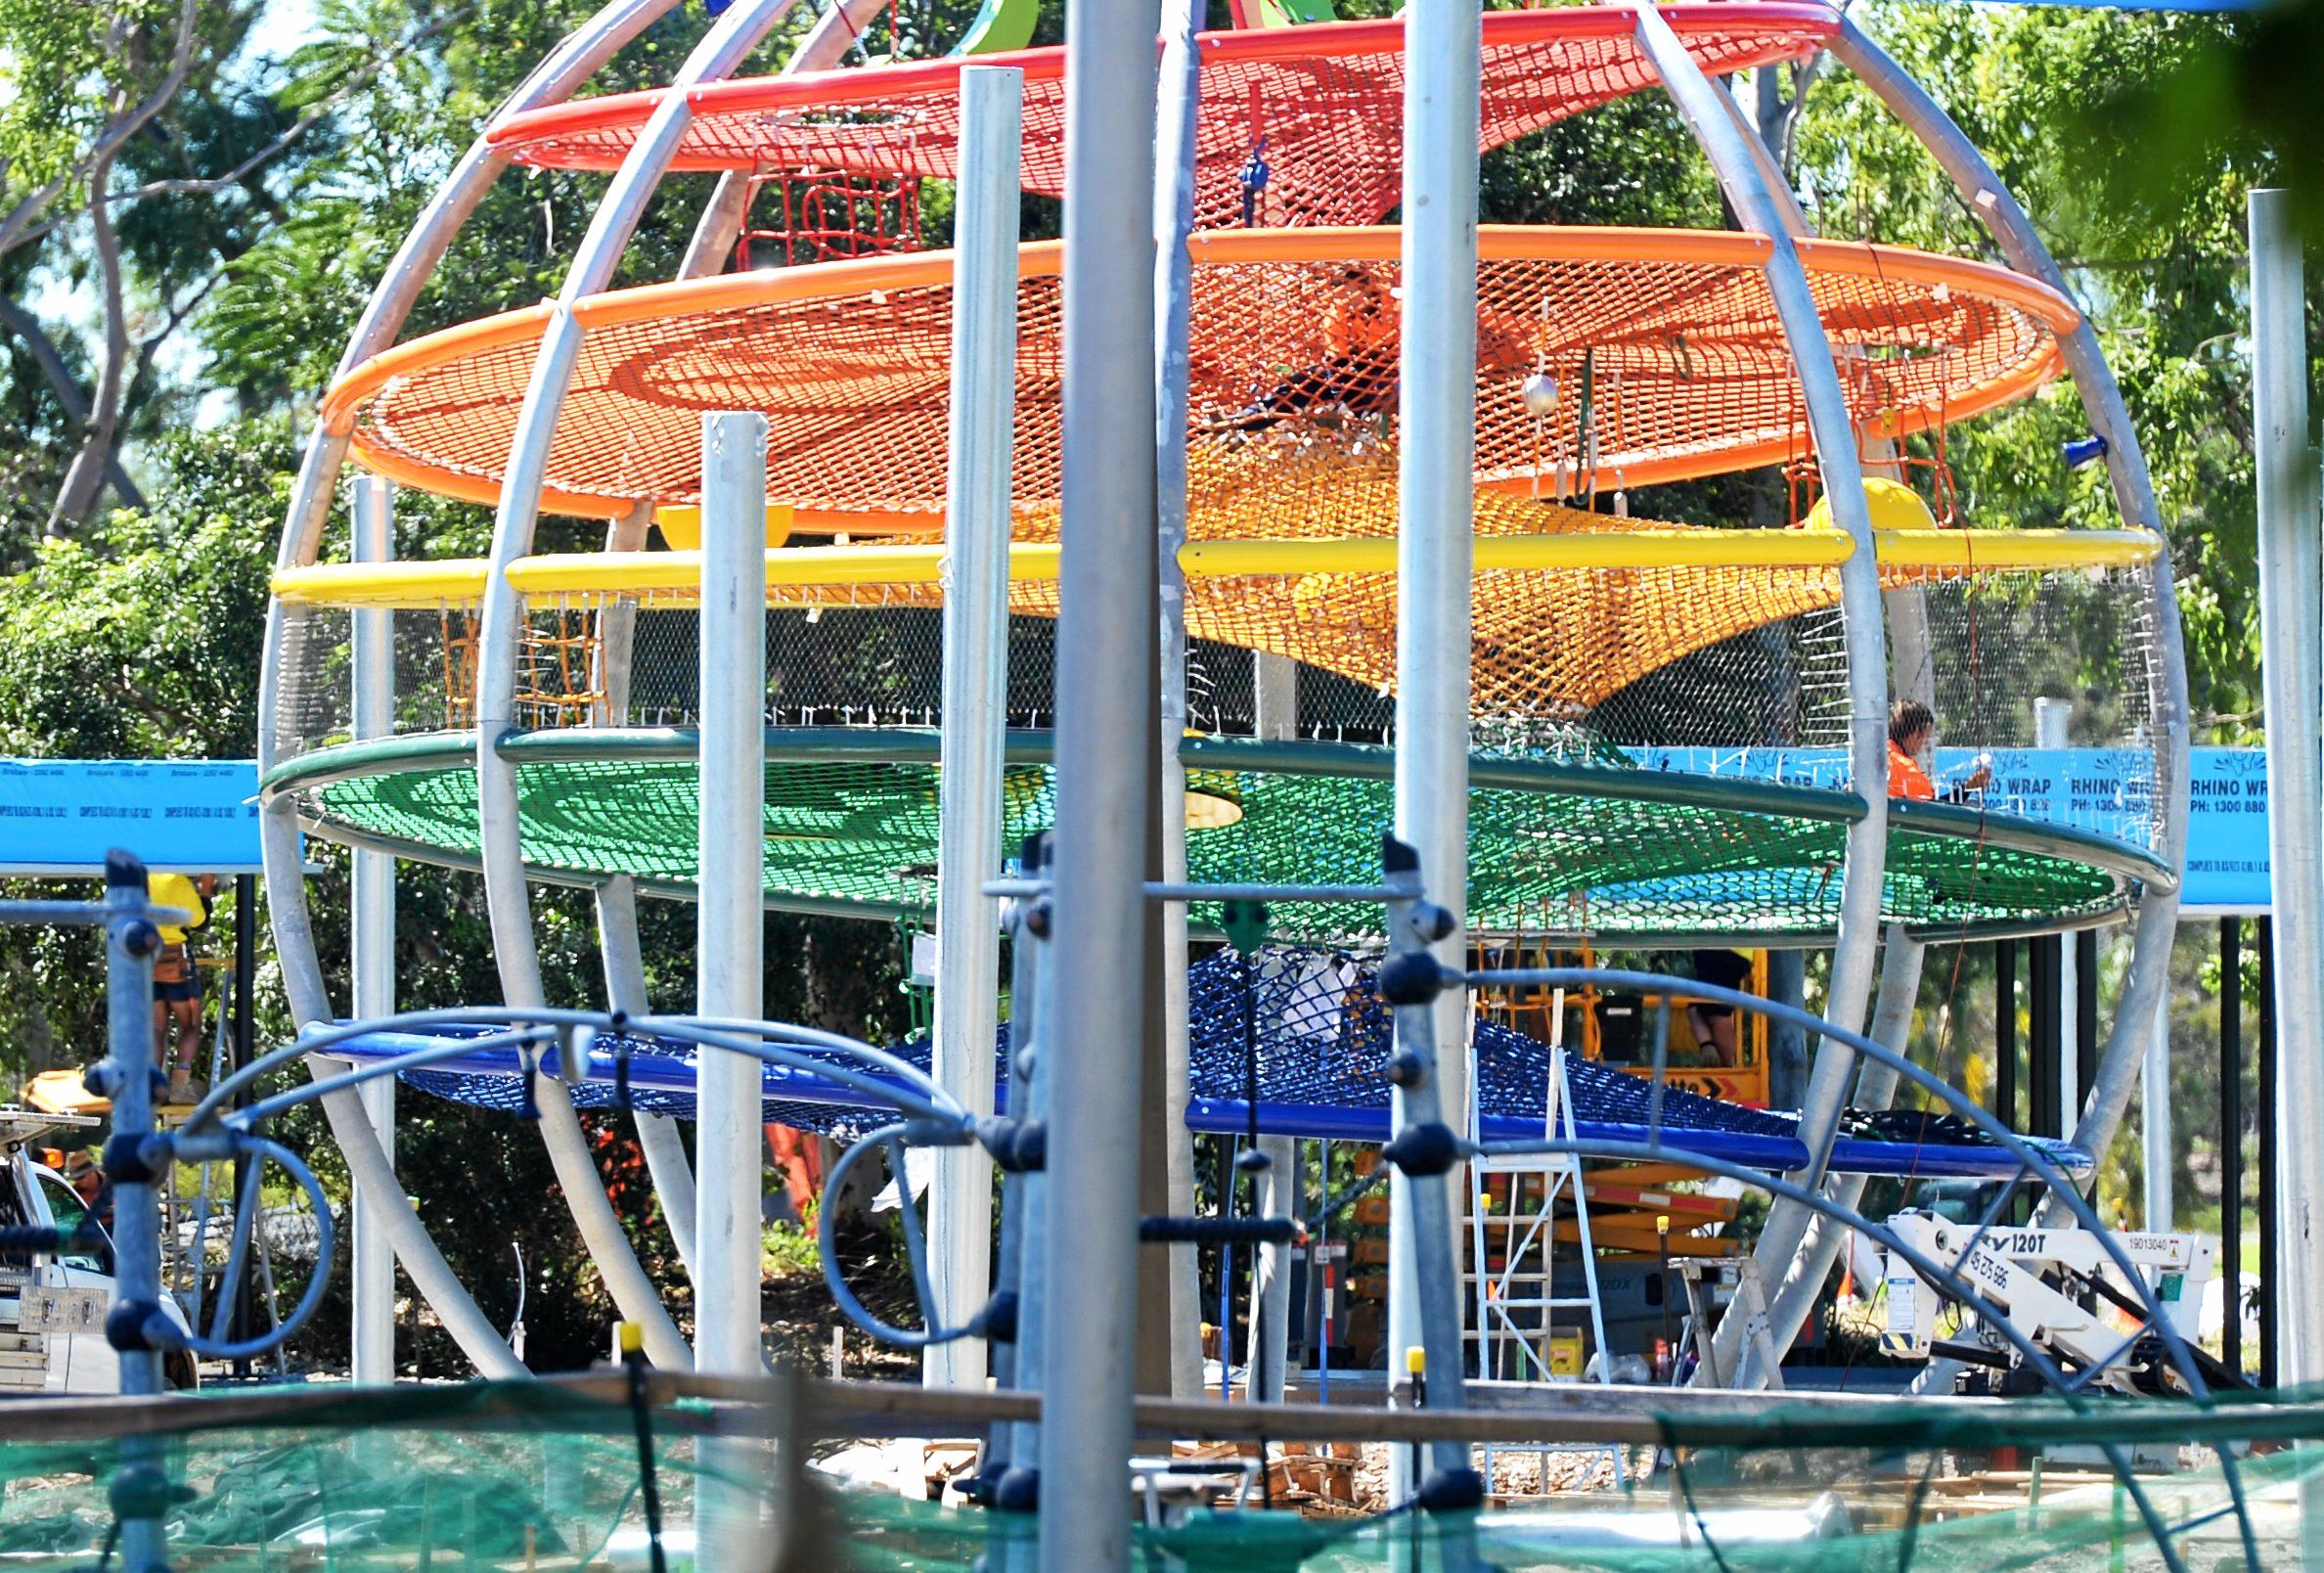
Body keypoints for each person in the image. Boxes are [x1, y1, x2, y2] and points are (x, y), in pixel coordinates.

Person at [148, 871, 218, 1104]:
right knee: (191, 1024)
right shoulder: (177, 881)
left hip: (146, 962)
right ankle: (180, 1083)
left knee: (157, 1027)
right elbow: (201, 922)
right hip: (176, 961)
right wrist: (206, 889)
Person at [1888, 697, 1991, 803]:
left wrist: (1968, 788)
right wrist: (1968, 788)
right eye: (1925, 736)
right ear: (1916, 733)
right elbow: (1934, 812)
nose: (1925, 743)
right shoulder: (1907, 770)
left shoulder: (1882, 756)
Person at [1685, 949, 1752, 1068]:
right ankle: (1708, 1047)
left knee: (1718, 1012)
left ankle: (1728, 1068)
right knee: (1695, 1006)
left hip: (1725, 946)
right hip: (1711, 946)